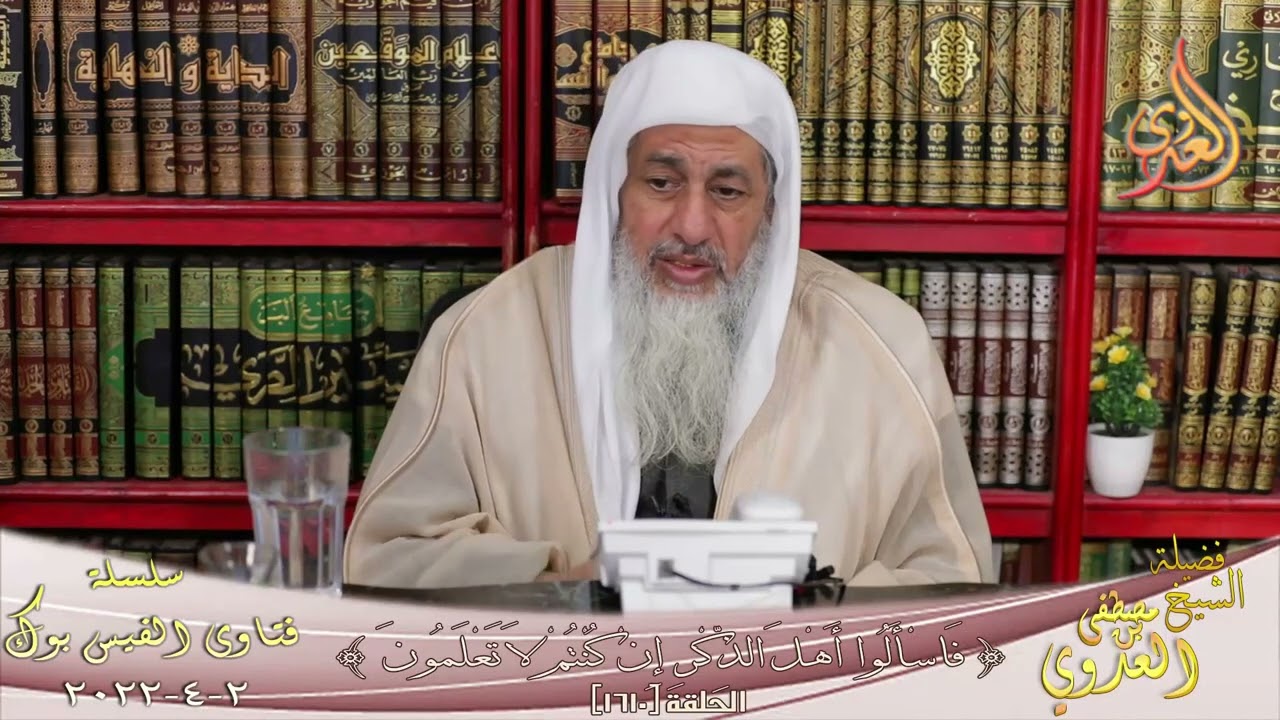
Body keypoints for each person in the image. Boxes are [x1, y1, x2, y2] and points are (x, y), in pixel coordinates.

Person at [343, 40, 994, 589]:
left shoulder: (880, 344)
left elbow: (953, 582)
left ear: (770, 210)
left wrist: (807, 613)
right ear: (614, 190)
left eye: (728, 191)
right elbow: (387, 560)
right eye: (662, 183)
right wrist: (565, 586)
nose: (691, 226)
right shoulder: (490, 332)